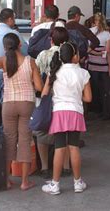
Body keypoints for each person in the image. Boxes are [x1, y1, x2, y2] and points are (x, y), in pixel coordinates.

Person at [0, 33, 43, 190]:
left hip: (8, 104)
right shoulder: (30, 62)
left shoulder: (3, 61)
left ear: (5, 47)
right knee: (25, 140)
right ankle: (25, 182)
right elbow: (39, 87)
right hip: (26, 103)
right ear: (19, 45)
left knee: (9, 139)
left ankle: (6, 180)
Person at [41, 42, 92, 195]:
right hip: (75, 111)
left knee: (59, 148)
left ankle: (55, 185)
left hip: (59, 112)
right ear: (75, 56)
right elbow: (88, 98)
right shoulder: (83, 73)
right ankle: (77, 183)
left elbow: (44, 93)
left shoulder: (55, 72)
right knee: (74, 147)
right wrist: (77, 96)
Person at [35, 27, 70, 179]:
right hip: (63, 98)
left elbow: (34, 72)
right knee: (64, 133)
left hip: (46, 96)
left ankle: (44, 167)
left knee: (42, 131)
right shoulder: (68, 54)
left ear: (51, 40)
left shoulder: (43, 54)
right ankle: (66, 166)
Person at [0, 8, 28, 103]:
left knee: (2, 103)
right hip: (10, 72)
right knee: (12, 102)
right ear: (10, 19)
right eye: (14, 19)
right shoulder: (13, 34)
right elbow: (25, 51)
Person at [87, 13, 110, 117]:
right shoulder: (107, 34)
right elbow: (108, 51)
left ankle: (94, 109)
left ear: (94, 21)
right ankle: (104, 110)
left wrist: (95, 53)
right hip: (103, 65)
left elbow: (88, 49)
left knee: (94, 87)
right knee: (104, 89)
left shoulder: (89, 32)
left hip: (92, 64)